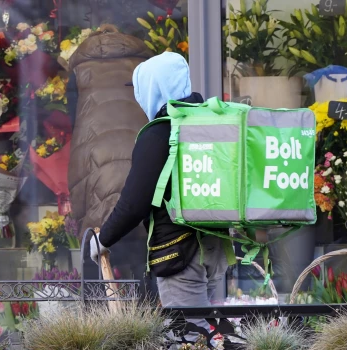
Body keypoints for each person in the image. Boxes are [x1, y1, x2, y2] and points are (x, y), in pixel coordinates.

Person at [90, 51, 229, 347]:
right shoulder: (208, 124)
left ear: (153, 88)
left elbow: (135, 200)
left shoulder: (161, 132)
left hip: (180, 255)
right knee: (215, 336)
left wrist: (104, 239)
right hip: (215, 252)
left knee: (190, 340)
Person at [65, 25, 156, 297]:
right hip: (138, 148)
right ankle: (147, 314)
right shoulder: (144, 63)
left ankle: (100, 319)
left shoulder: (80, 68)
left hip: (95, 155)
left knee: (97, 239)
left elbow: (74, 117)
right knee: (142, 244)